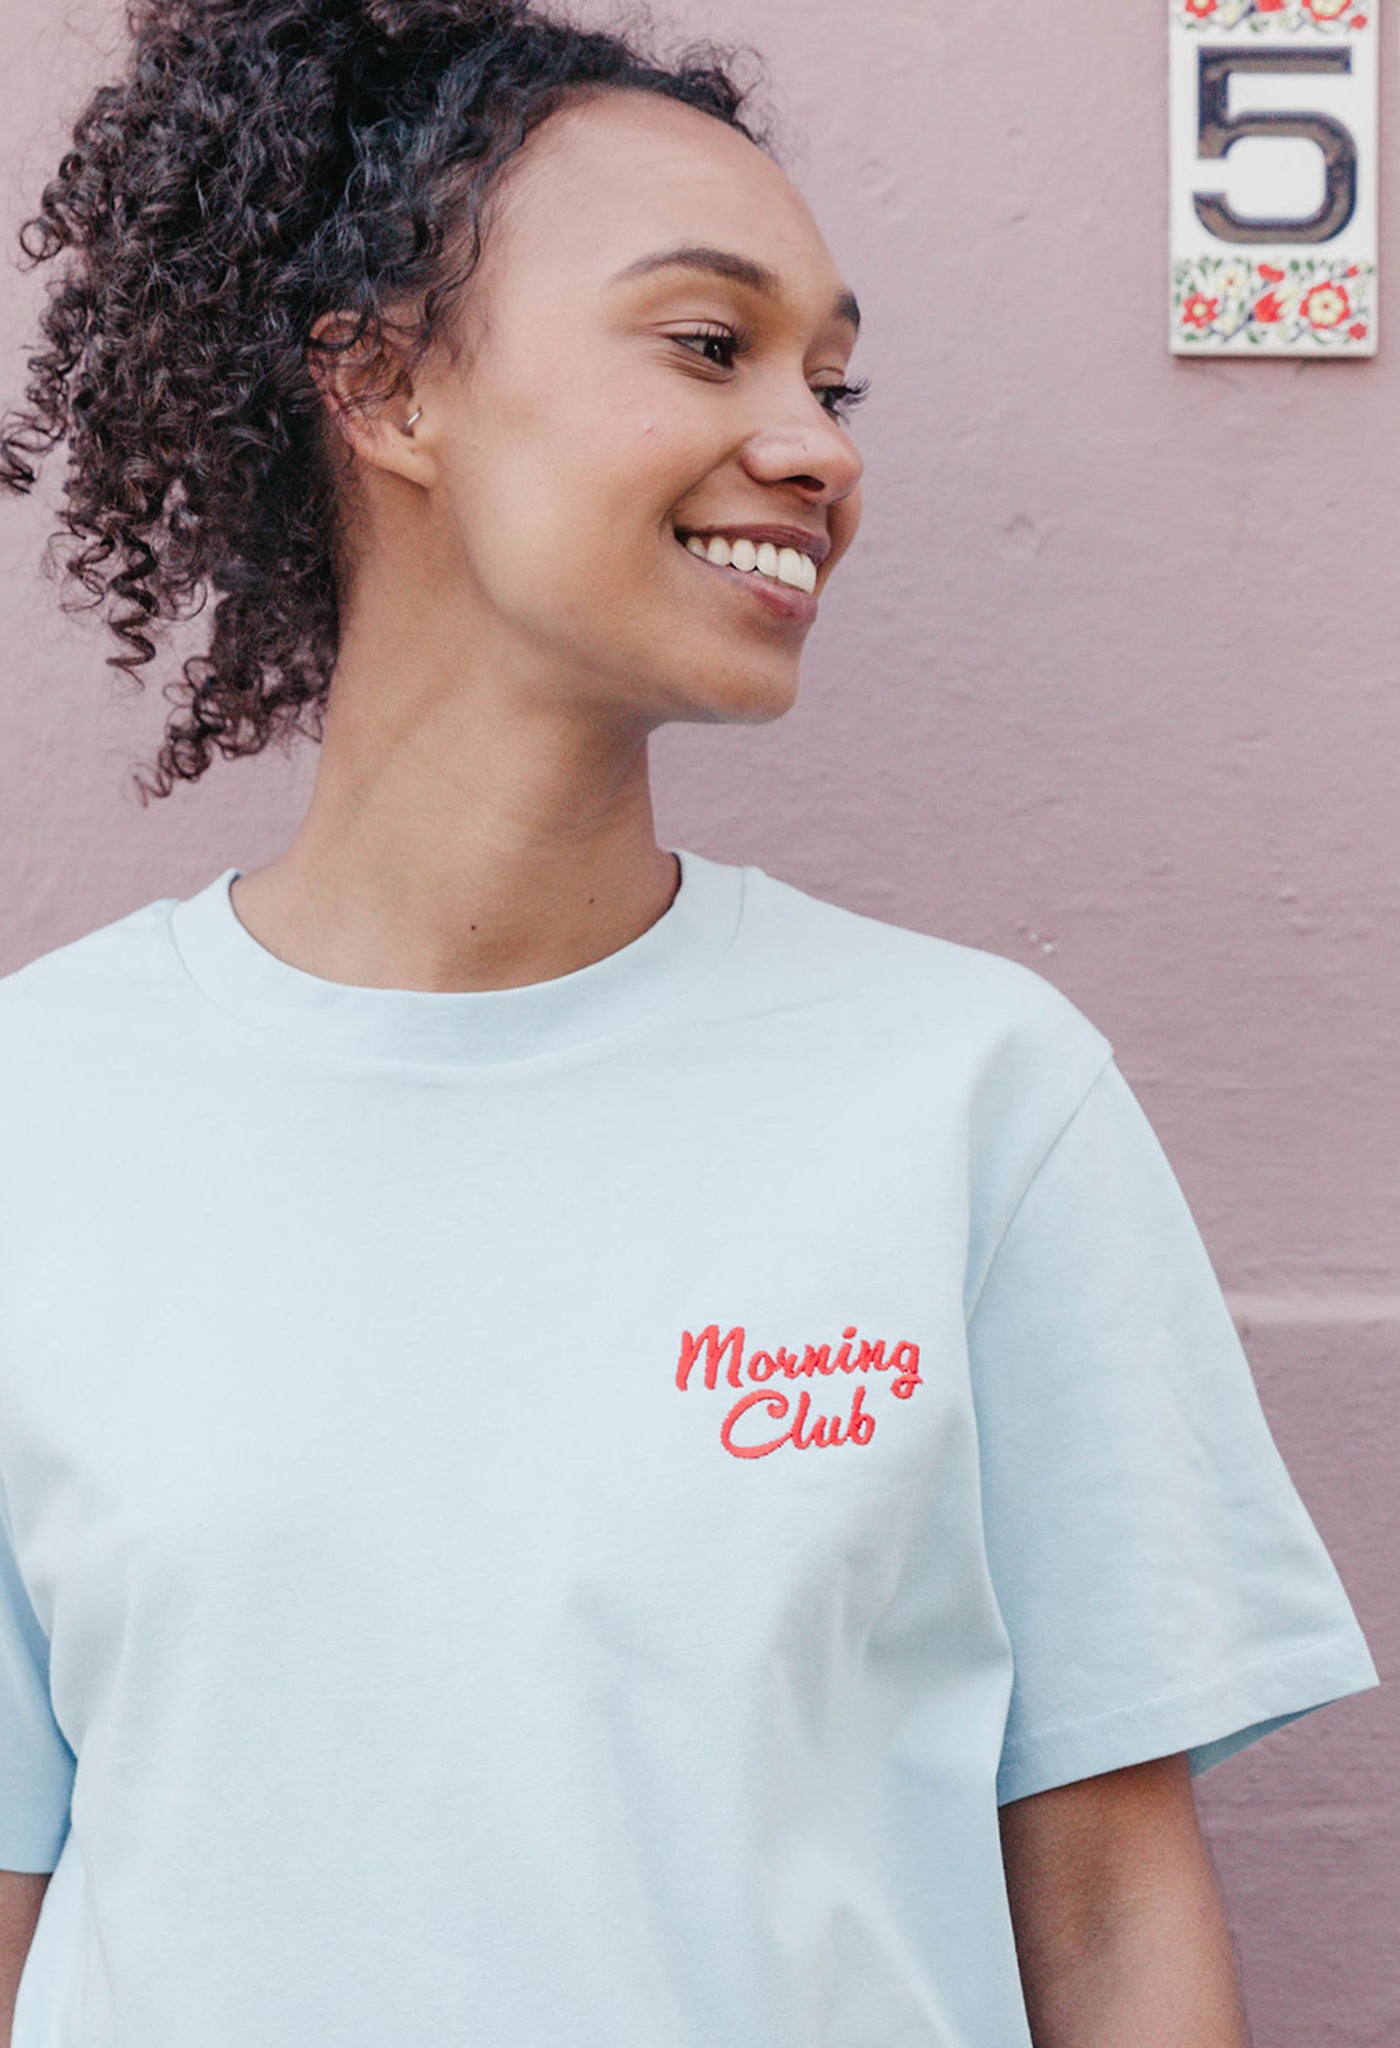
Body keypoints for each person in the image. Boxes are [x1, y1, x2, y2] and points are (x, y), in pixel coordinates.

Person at [0, 2, 1378, 2044]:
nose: (818, 445)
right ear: (380, 381)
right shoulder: (45, 1114)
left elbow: (1104, 1909)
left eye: (833, 377)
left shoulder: (975, 1101)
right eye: (711, 345)